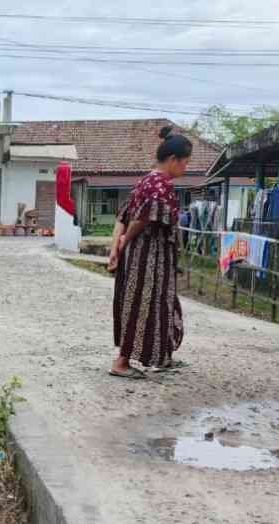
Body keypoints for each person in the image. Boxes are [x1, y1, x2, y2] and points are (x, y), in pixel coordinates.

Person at [107, 126, 192, 379]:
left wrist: (116, 248)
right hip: (148, 259)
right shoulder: (160, 184)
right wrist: (124, 241)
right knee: (142, 307)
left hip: (144, 257)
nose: (186, 168)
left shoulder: (145, 180)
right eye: (185, 163)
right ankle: (121, 362)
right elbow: (141, 219)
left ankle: (163, 357)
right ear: (173, 160)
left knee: (160, 305)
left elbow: (122, 217)